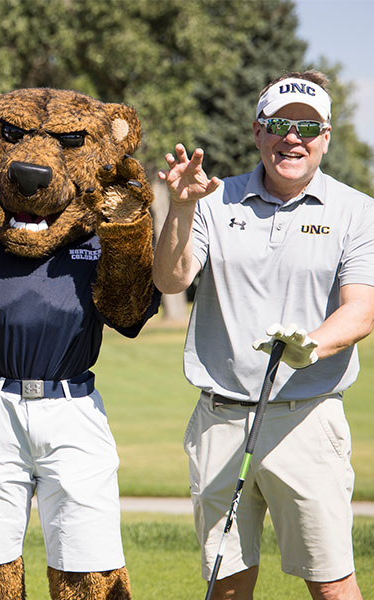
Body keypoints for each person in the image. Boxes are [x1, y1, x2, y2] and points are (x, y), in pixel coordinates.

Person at [153, 69, 374, 599]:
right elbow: (170, 278)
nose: (291, 137)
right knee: (226, 586)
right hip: (220, 418)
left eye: (306, 126)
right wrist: (180, 208)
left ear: (325, 136)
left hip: (307, 419)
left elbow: (361, 311)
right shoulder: (211, 200)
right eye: (278, 123)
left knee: (332, 584)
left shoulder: (357, 212)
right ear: (258, 132)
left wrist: (310, 345)